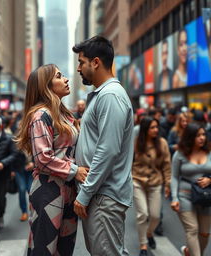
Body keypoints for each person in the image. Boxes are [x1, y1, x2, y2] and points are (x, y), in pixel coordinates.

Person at [15, 64, 88, 256]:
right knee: (44, 250)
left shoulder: (63, 115)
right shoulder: (40, 115)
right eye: (58, 76)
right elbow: (43, 159)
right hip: (48, 191)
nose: (65, 79)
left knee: (65, 250)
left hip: (69, 190)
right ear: (46, 86)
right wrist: (75, 170)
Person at [72, 36, 134, 256]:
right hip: (100, 195)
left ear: (95, 62)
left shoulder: (110, 95)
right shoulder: (103, 95)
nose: (78, 68)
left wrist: (85, 193)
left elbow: (108, 150)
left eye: (81, 62)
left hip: (103, 196)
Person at [171, 122, 211, 256]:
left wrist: (210, 180)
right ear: (190, 137)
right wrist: (174, 198)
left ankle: (189, 252)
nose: (202, 138)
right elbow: (174, 177)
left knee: (204, 233)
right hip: (185, 196)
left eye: (203, 135)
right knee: (192, 230)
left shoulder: (209, 151)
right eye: (198, 135)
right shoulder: (180, 154)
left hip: (205, 196)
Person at [132, 116, 171, 256]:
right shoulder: (136, 143)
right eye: (152, 127)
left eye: (157, 127)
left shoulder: (162, 143)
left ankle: (149, 233)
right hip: (137, 181)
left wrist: (168, 183)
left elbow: (167, 165)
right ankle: (143, 245)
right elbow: (129, 162)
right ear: (145, 129)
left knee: (155, 216)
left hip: (155, 182)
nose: (156, 130)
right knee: (142, 214)